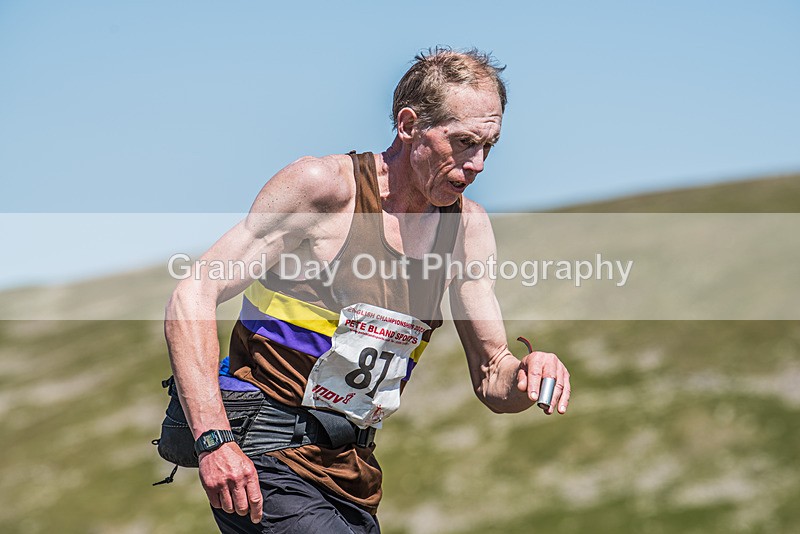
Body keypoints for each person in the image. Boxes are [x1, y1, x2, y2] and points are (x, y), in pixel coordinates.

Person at [165, 47, 571, 533]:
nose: (479, 162)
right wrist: (213, 440)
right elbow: (194, 292)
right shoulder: (324, 189)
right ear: (408, 125)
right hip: (263, 458)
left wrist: (528, 374)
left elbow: (491, 375)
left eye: (489, 146)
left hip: (351, 473)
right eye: (464, 141)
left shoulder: (467, 231)